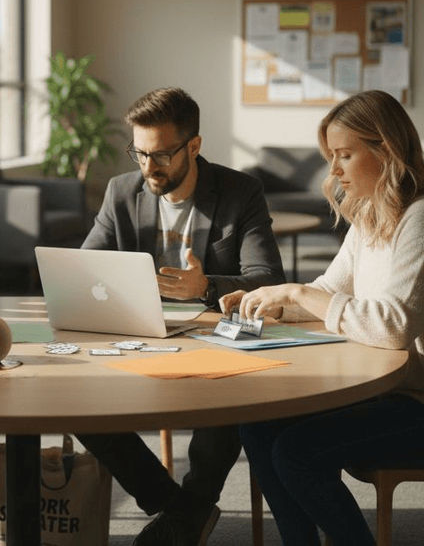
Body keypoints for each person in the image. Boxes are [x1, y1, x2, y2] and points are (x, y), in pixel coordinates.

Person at [226, 90, 424, 545]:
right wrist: (272, 302)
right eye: (331, 156)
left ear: (385, 151)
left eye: (344, 155)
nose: (333, 171)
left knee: (296, 453)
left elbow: (393, 329)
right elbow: (331, 292)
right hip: (397, 389)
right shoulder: (372, 213)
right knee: (256, 426)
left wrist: (297, 291)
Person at [77, 87, 286, 546]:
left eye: (162, 156)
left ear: (194, 146)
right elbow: (85, 267)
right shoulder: (121, 191)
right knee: (76, 401)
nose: (148, 168)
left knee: (230, 391)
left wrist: (207, 287)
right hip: (143, 331)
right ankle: (180, 509)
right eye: (139, 153)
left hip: (218, 329)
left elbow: (268, 278)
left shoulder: (239, 192)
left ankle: (187, 512)